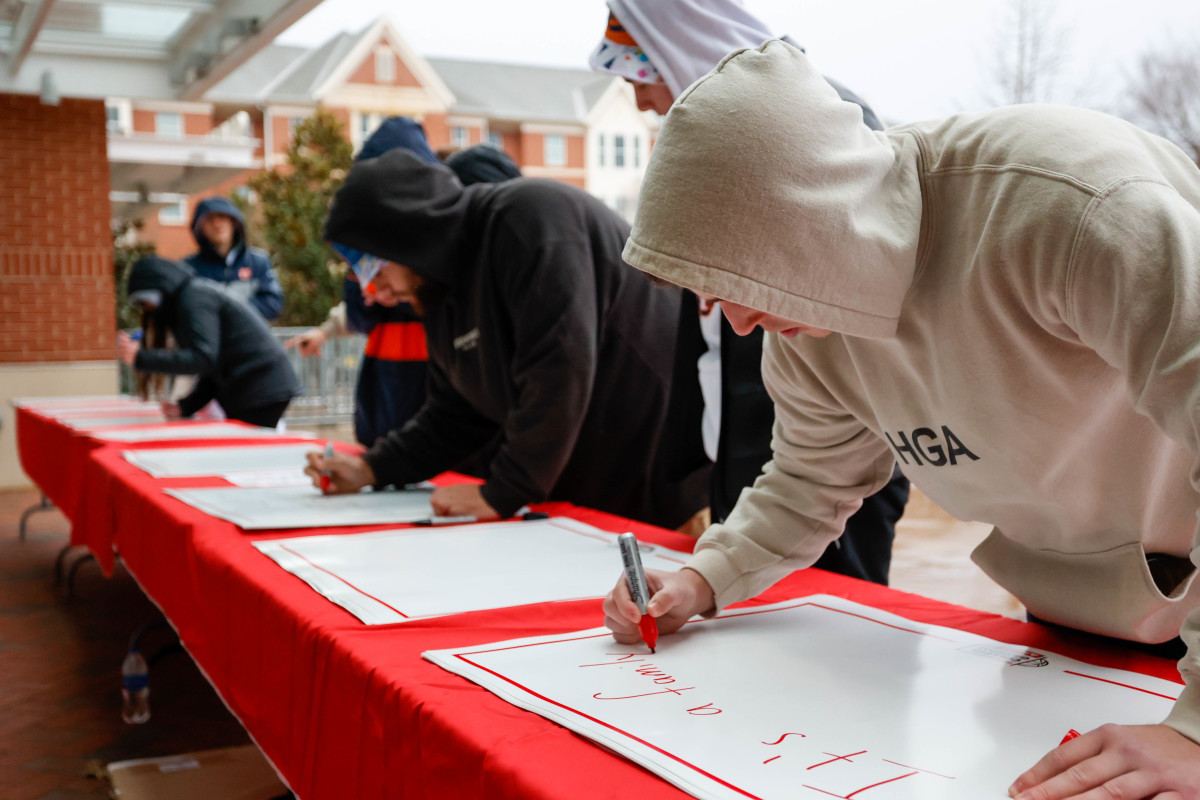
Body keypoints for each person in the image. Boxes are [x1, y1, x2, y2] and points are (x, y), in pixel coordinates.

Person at [601, 39, 1200, 797]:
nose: (740, 323)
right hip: (1077, 613)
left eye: (740, 278)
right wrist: (704, 577)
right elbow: (810, 480)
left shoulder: (1072, 207)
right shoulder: (809, 323)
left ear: (811, 218)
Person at [588, 0, 908, 580]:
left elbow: (868, 303)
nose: (639, 100)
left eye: (642, 74)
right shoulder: (698, 153)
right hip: (743, 454)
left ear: (680, 49)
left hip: (829, 460)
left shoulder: (818, 113)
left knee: (835, 637)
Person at [306, 148, 710, 529]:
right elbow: (456, 413)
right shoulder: (439, 293)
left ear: (404, 239)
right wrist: (371, 469)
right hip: (594, 493)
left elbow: (561, 368)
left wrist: (503, 491)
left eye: (371, 269)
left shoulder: (531, 219)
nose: (369, 292)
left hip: (665, 488)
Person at [285, 121, 524, 447]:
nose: (378, 290)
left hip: (441, 411)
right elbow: (359, 314)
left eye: (381, 276)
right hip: (395, 402)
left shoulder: (461, 262)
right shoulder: (380, 254)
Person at [116, 255, 301, 427]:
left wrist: (142, 358)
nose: (147, 308)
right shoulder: (191, 297)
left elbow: (203, 359)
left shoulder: (193, 298)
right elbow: (212, 369)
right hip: (259, 386)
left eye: (144, 301)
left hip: (259, 387)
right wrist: (185, 407)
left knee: (248, 452)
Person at [184, 196, 284, 320]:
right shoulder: (188, 268)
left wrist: (230, 310)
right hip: (209, 338)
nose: (217, 224)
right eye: (209, 219)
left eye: (222, 217)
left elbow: (272, 305)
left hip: (249, 337)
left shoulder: (258, 262)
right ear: (199, 227)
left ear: (234, 222)